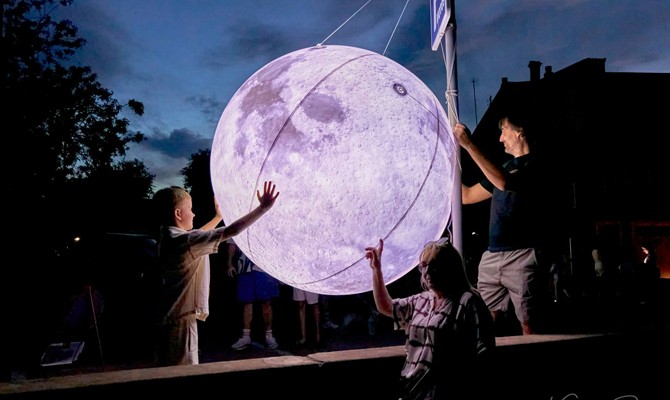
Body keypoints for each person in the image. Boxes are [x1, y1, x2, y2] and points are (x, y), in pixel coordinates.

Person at [153, 181, 279, 366]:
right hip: (180, 323)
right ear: (178, 214)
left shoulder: (170, 239)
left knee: (166, 372)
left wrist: (218, 217)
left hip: (170, 318)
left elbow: (199, 235)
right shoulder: (184, 242)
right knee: (181, 375)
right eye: (190, 208)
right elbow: (231, 231)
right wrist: (263, 208)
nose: (194, 213)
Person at [454, 113, 550, 335]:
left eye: (504, 130)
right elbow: (466, 196)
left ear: (520, 131)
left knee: (530, 324)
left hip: (522, 255)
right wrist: (447, 162)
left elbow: (504, 182)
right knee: (484, 323)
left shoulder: (536, 164)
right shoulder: (504, 167)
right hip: (492, 256)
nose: (500, 138)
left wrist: (469, 145)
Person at [365, 237, 495, 400]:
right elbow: (387, 307)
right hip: (413, 389)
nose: (427, 272)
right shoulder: (423, 300)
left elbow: (484, 353)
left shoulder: (468, 302)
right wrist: (376, 270)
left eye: (435, 265)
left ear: (450, 268)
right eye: (424, 266)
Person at [227, 240, 280, 350]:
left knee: (266, 302)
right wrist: (230, 263)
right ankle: (246, 336)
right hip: (245, 267)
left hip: (264, 267)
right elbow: (233, 242)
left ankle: (269, 335)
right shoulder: (238, 222)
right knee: (247, 302)